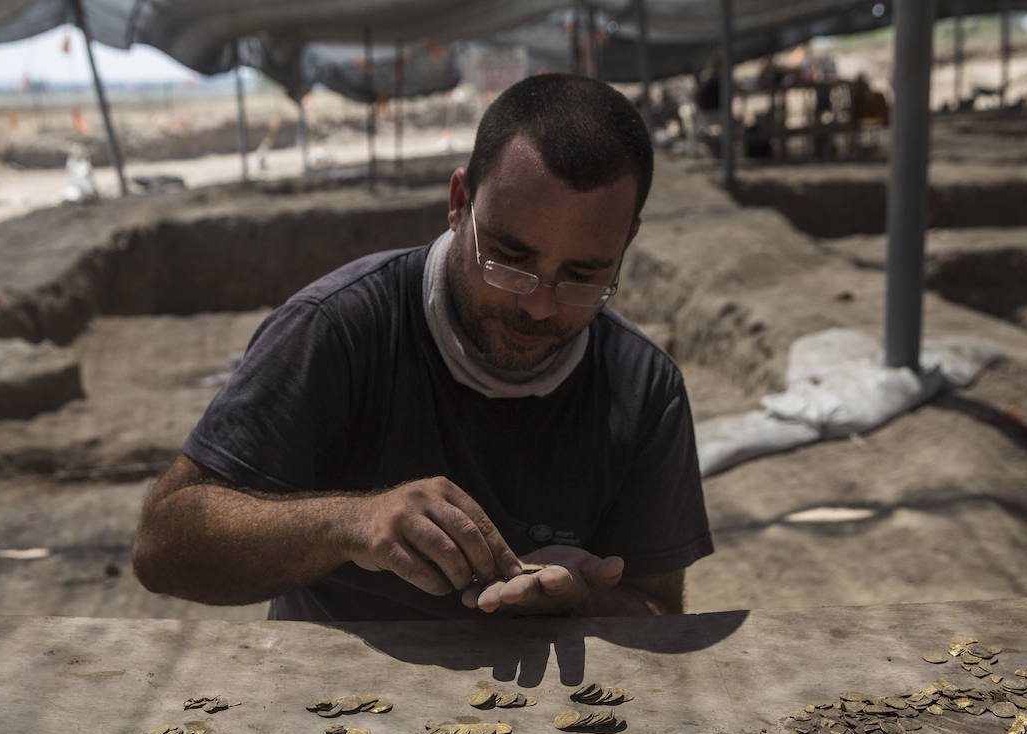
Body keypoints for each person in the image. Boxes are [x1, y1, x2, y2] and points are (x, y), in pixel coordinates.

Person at [132, 74, 713, 622]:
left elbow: (659, 611)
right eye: (508, 260)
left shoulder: (644, 388)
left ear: (627, 241)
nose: (538, 304)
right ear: (459, 203)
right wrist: (351, 524)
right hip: (327, 706)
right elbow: (163, 545)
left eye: (582, 276)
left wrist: (580, 603)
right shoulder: (336, 330)